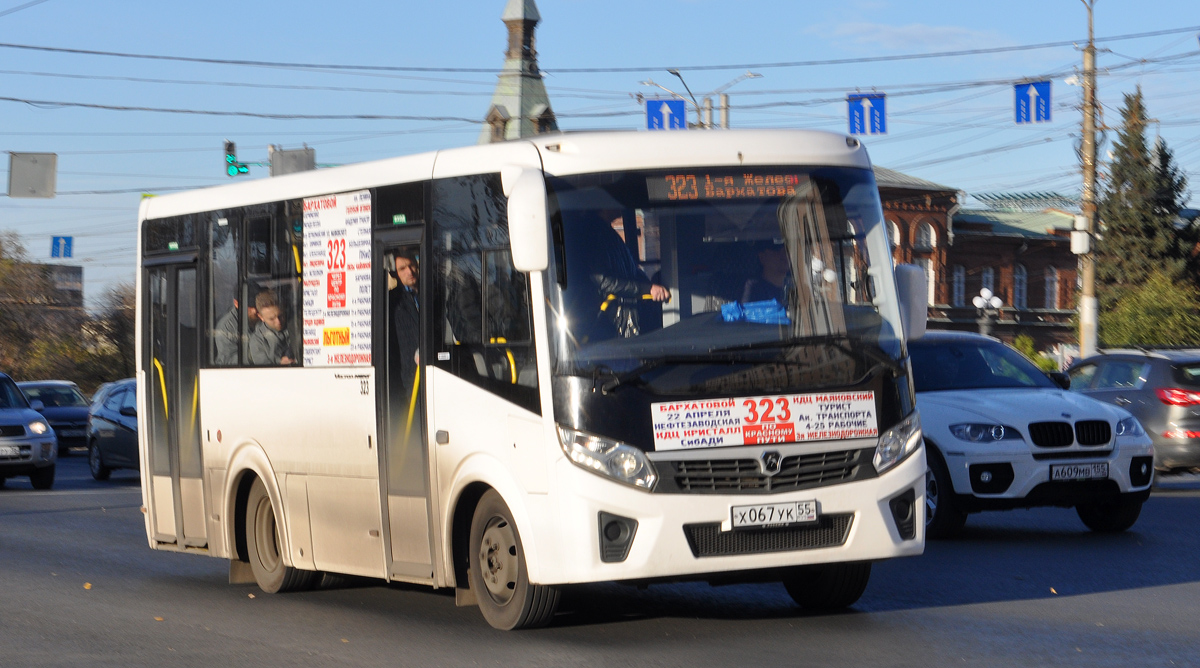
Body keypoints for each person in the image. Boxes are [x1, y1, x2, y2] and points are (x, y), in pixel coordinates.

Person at [564, 212, 668, 342]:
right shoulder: (593, 234)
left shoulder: (608, 233)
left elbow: (630, 272)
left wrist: (651, 286)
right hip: (612, 326)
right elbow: (604, 281)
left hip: (627, 319)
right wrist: (645, 289)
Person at [391, 252, 420, 392]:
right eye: (402, 269)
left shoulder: (433, 291)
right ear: (395, 274)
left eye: (411, 265)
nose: (409, 271)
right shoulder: (392, 302)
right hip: (409, 376)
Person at [248, 290, 294, 366]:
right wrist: (279, 363)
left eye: (281, 316)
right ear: (261, 317)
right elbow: (264, 370)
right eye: (271, 319)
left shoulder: (295, 326)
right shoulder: (257, 341)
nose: (278, 321)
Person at [213, 297, 258, 366]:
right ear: (236, 303)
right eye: (249, 306)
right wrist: (256, 353)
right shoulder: (226, 326)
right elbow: (227, 360)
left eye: (256, 305)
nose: (254, 310)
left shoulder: (263, 315)